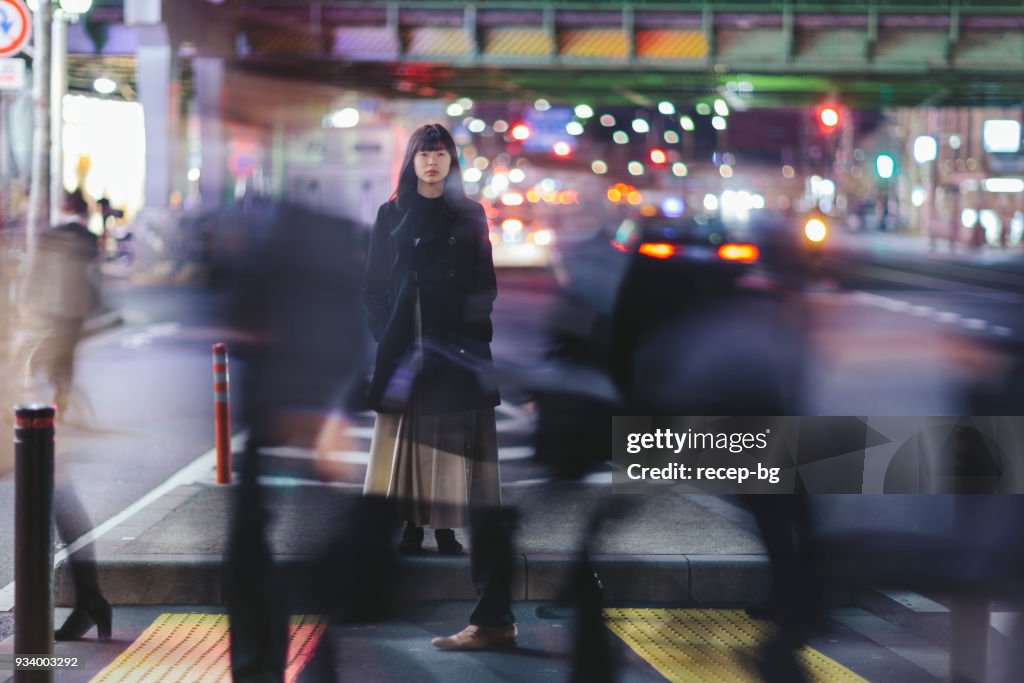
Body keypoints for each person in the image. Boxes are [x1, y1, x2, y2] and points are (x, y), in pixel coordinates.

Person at [363, 123, 516, 649]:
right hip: (407, 346)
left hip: (457, 350)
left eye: (441, 153)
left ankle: (448, 531)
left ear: (453, 161)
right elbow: (374, 285)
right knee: (406, 444)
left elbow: (485, 281)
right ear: (411, 160)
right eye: (424, 153)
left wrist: (471, 333)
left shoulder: (470, 213)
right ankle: (411, 523)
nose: (432, 161)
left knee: (461, 451)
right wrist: (388, 334)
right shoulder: (391, 213)